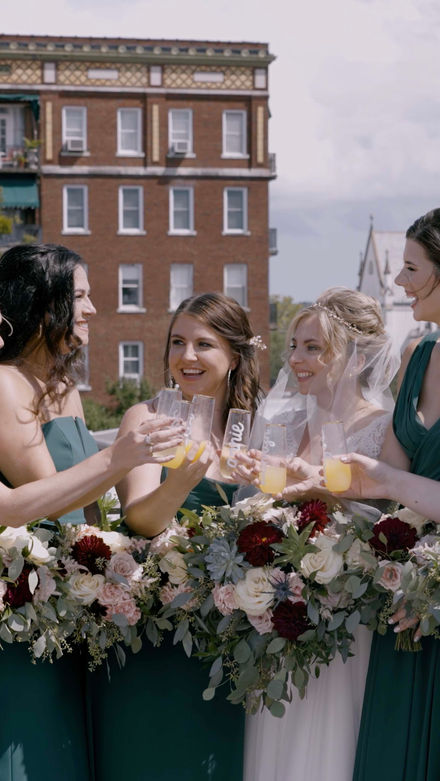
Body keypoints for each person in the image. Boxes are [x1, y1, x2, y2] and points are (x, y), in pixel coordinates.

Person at [0, 243, 183, 781]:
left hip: (75, 610)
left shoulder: (63, 387)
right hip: (25, 616)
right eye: (80, 295)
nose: (93, 308)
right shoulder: (3, 384)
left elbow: (88, 513)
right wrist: (117, 457)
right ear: (43, 302)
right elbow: (30, 502)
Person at [89, 292, 264, 781]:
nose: (187, 356)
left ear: (234, 356)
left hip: (228, 641)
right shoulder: (145, 420)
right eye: (177, 342)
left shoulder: (252, 433)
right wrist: (184, 481)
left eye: (204, 344)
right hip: (153, 630)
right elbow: (141, 520)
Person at [239, 288, 398, 781]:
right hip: (277, 612)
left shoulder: (384, 429)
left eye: (314, 348)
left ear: (353, 358)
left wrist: (326, 499)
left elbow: (390, 527)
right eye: (293, 346)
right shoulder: (280, 421)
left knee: (327, 742)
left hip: (341, 614)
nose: (297, 359)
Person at [352, 208, 440, 781]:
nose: (399, 282)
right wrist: (300, 482)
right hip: (406, 598)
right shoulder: (419, 356)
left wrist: (384, 480)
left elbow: (389, 479)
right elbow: (384, 478)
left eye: (411, 268)